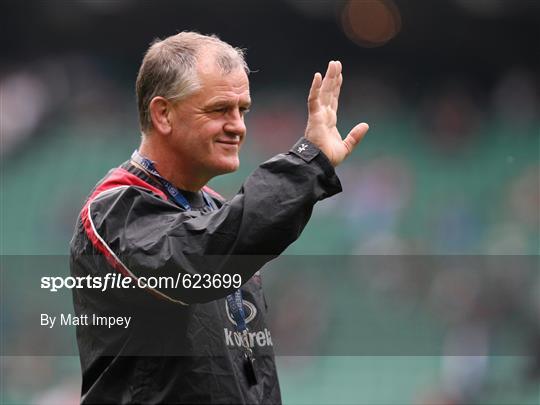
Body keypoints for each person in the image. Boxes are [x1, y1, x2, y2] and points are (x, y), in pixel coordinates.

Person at [70, 31, 369, 404]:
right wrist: (308, 164)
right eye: (219, 110)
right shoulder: (115, 210)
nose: (238, 126)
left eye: (242, 110)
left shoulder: (213, 209)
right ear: (163, 113)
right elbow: (198, 261)